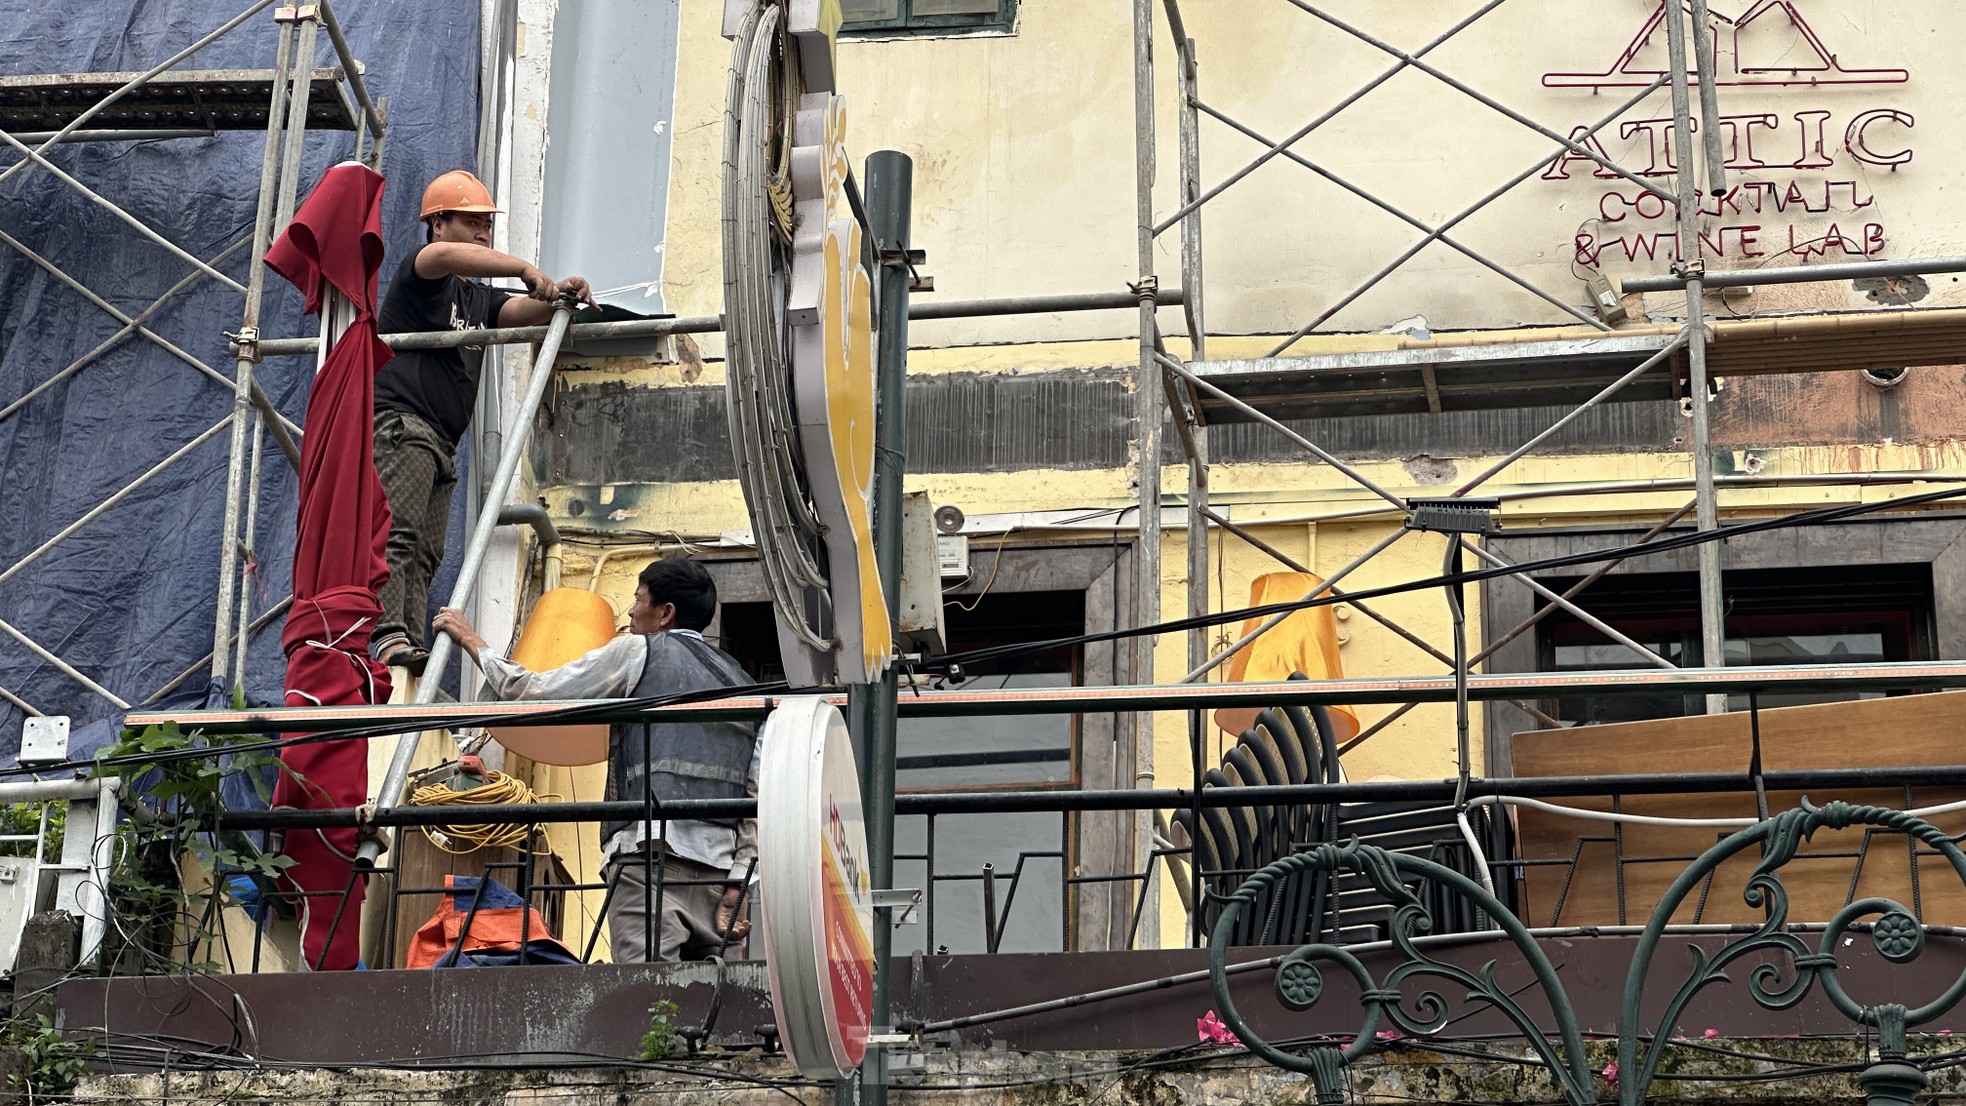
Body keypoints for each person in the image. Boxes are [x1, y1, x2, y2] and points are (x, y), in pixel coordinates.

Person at [431, 557, 760, 963]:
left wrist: (473, 643)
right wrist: (740, 883)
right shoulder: (743, 685)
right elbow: (755, 799)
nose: (630, 611)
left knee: (645, 1002)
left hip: (649, 863)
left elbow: (535, 692)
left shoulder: (639, 652)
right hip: (718, 881)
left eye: (638, 600)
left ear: (665, 613)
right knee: (712, 1012)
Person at [371, 169, 594, 673]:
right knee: (399, 533)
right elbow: (445, 258)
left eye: (486, 225)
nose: (482, 234)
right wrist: (520, 265)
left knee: (427, 549)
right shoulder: (422, 273)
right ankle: (387, 636)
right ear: (437, 223)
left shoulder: (479, 300)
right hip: (403, 425)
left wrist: (562, 294)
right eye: (471, 222)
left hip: (441, 441)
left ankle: (404, 637)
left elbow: (526, 312)